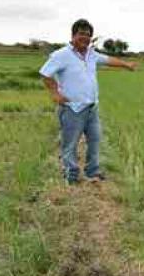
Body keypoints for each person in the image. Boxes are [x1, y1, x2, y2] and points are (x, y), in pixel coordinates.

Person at [39, 19, 137, 184]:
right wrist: (55, 93)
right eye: (82, 34)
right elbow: (45, 73)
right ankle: (71, 174)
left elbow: (108, 60)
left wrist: (126, 64)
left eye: (88, 35)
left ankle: (92, 171)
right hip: (72, 109)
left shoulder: (91, 54)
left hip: (91, 108)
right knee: (70, 144)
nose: (85, 37)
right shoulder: (61, 55)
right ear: (73, 35)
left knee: (95, 140)